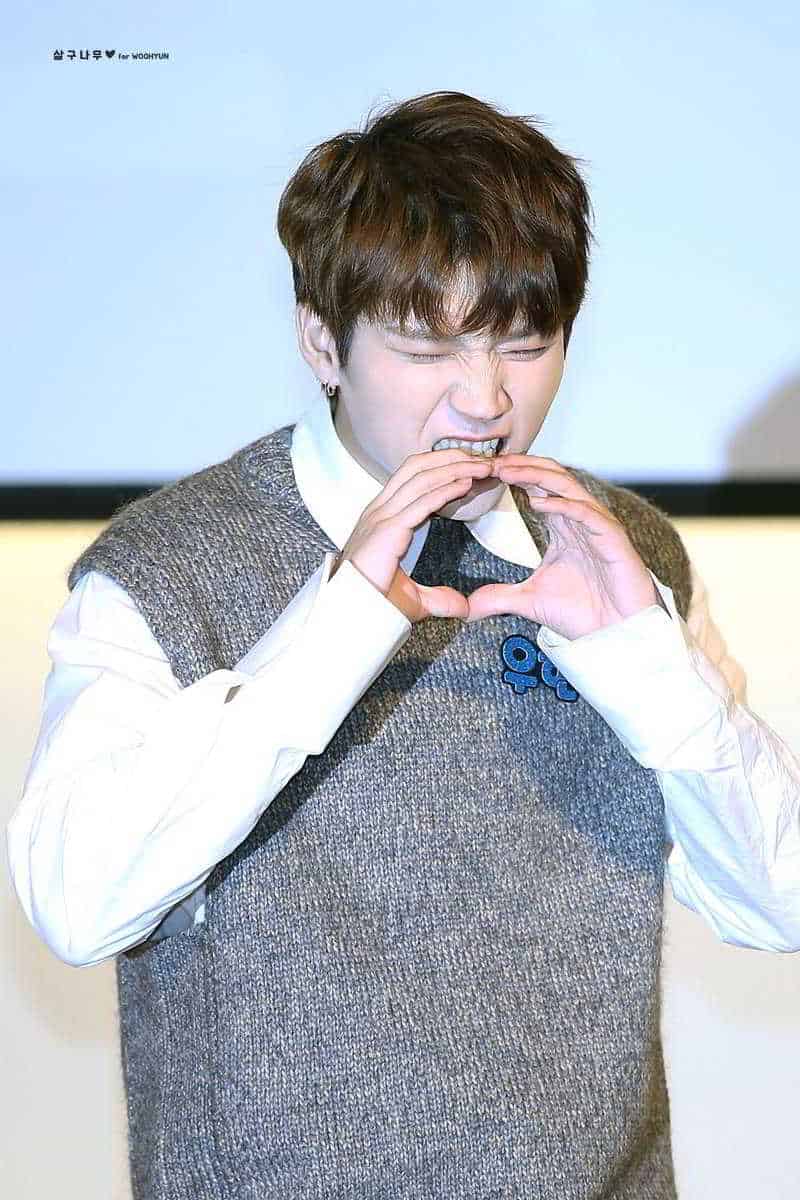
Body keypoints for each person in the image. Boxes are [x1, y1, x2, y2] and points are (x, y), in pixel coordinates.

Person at [7, 89, 800, 1199]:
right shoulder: (169, 570)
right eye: (428, 348)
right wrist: (336, 625)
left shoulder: (622, 552)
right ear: (321, 343)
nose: (485, 401)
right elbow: (76, 903)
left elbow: (777, 901)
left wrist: (645, 662)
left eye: (525, 344)